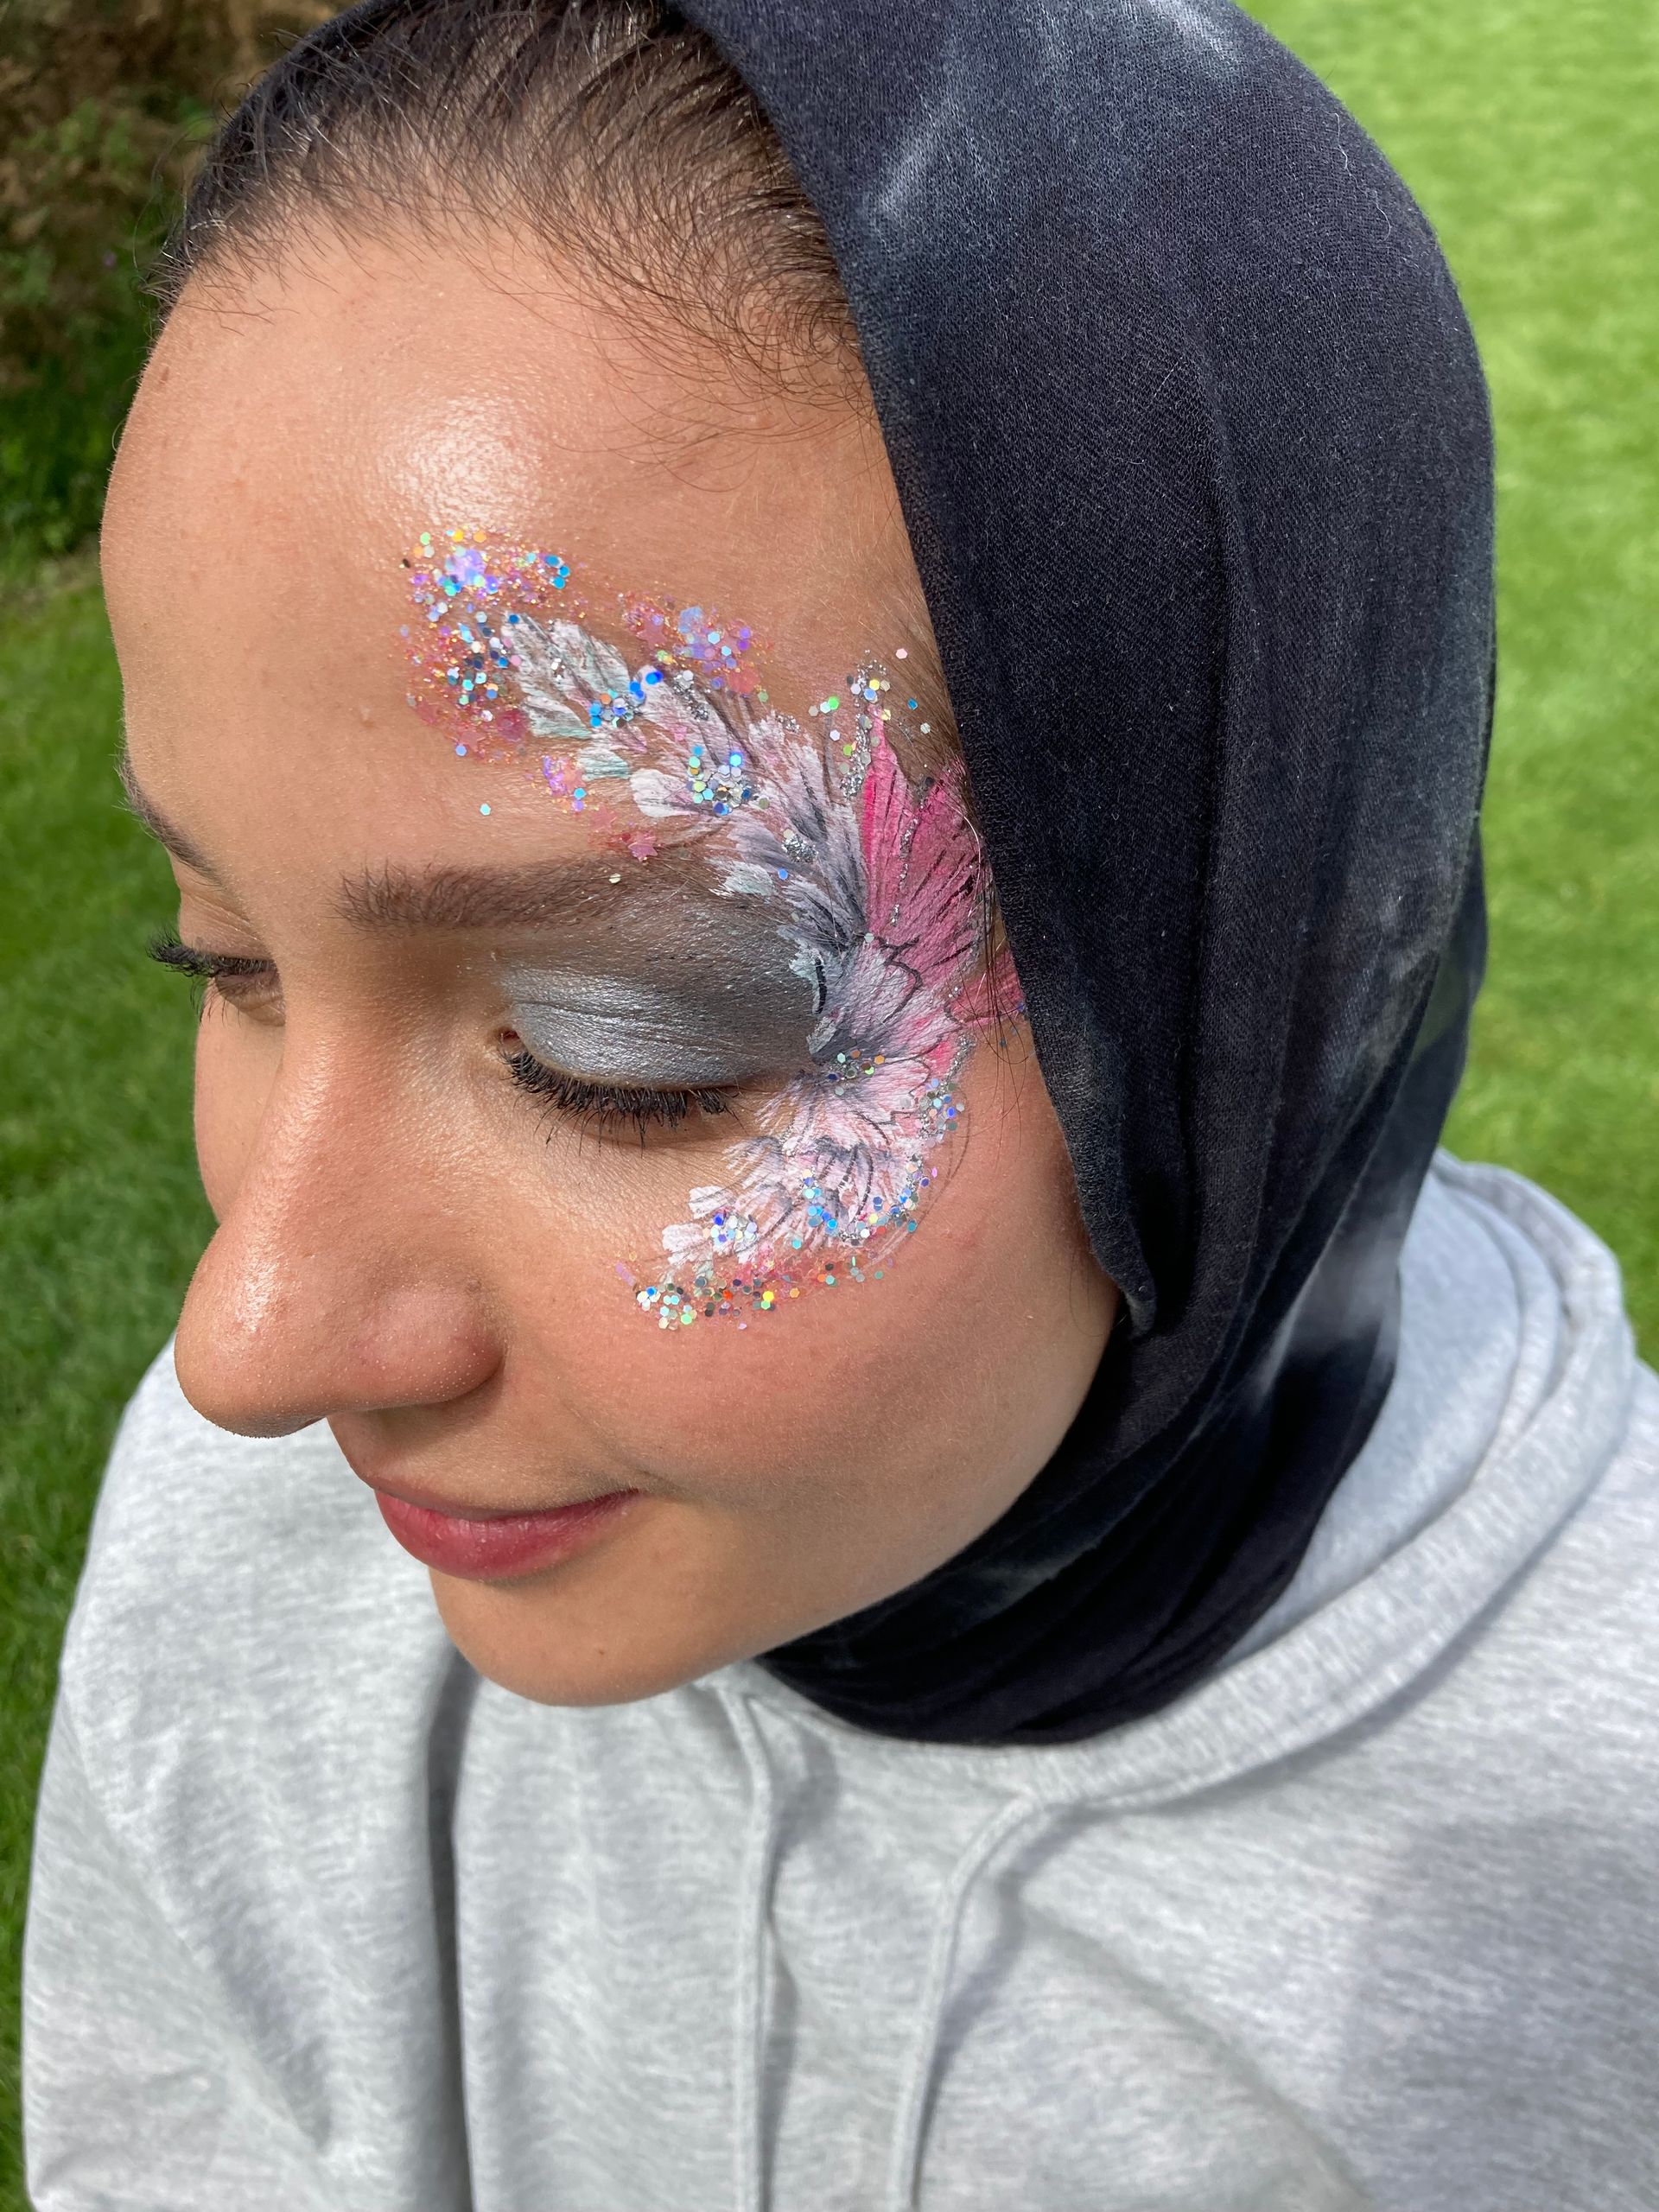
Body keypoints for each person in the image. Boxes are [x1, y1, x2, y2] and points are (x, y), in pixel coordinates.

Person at [22, 0, 1659, 2204]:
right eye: (225, 962)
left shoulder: (1586, 1900)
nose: (252, 1342)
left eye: (616, 1052)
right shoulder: (258, 1555)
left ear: (1240, 977)